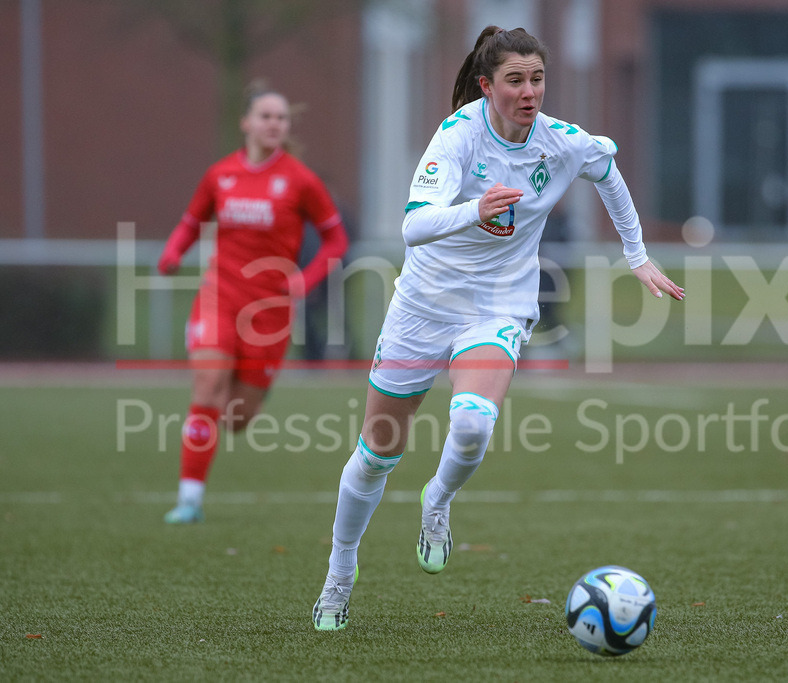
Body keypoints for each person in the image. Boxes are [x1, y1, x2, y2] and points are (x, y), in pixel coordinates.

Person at [311, 26, 684, 631]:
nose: (529, 91)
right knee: (378, 451)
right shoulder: (458, 133)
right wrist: (474, 210)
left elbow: (608, 173)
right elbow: (413, 225)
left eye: (537, 78)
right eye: (515, 79)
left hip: (498, 304)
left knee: (471, 425)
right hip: (425, 304)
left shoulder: (562, 142)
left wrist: (636, 254)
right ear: (487, 86)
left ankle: (438, 499)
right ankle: (340, 572)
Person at [158, 84, 349, 522]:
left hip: (269, 315)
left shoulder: (300, 180)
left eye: (281, 117)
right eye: (265, 116)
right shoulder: (220, 175)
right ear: (246, 122)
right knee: (206, 389)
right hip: (219, 297)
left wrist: (306, 278)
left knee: (237, 418)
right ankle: (189, 498)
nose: (274, 124)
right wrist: (173, 253)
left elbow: (336, 238)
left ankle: (216, 424)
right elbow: (191, 222)